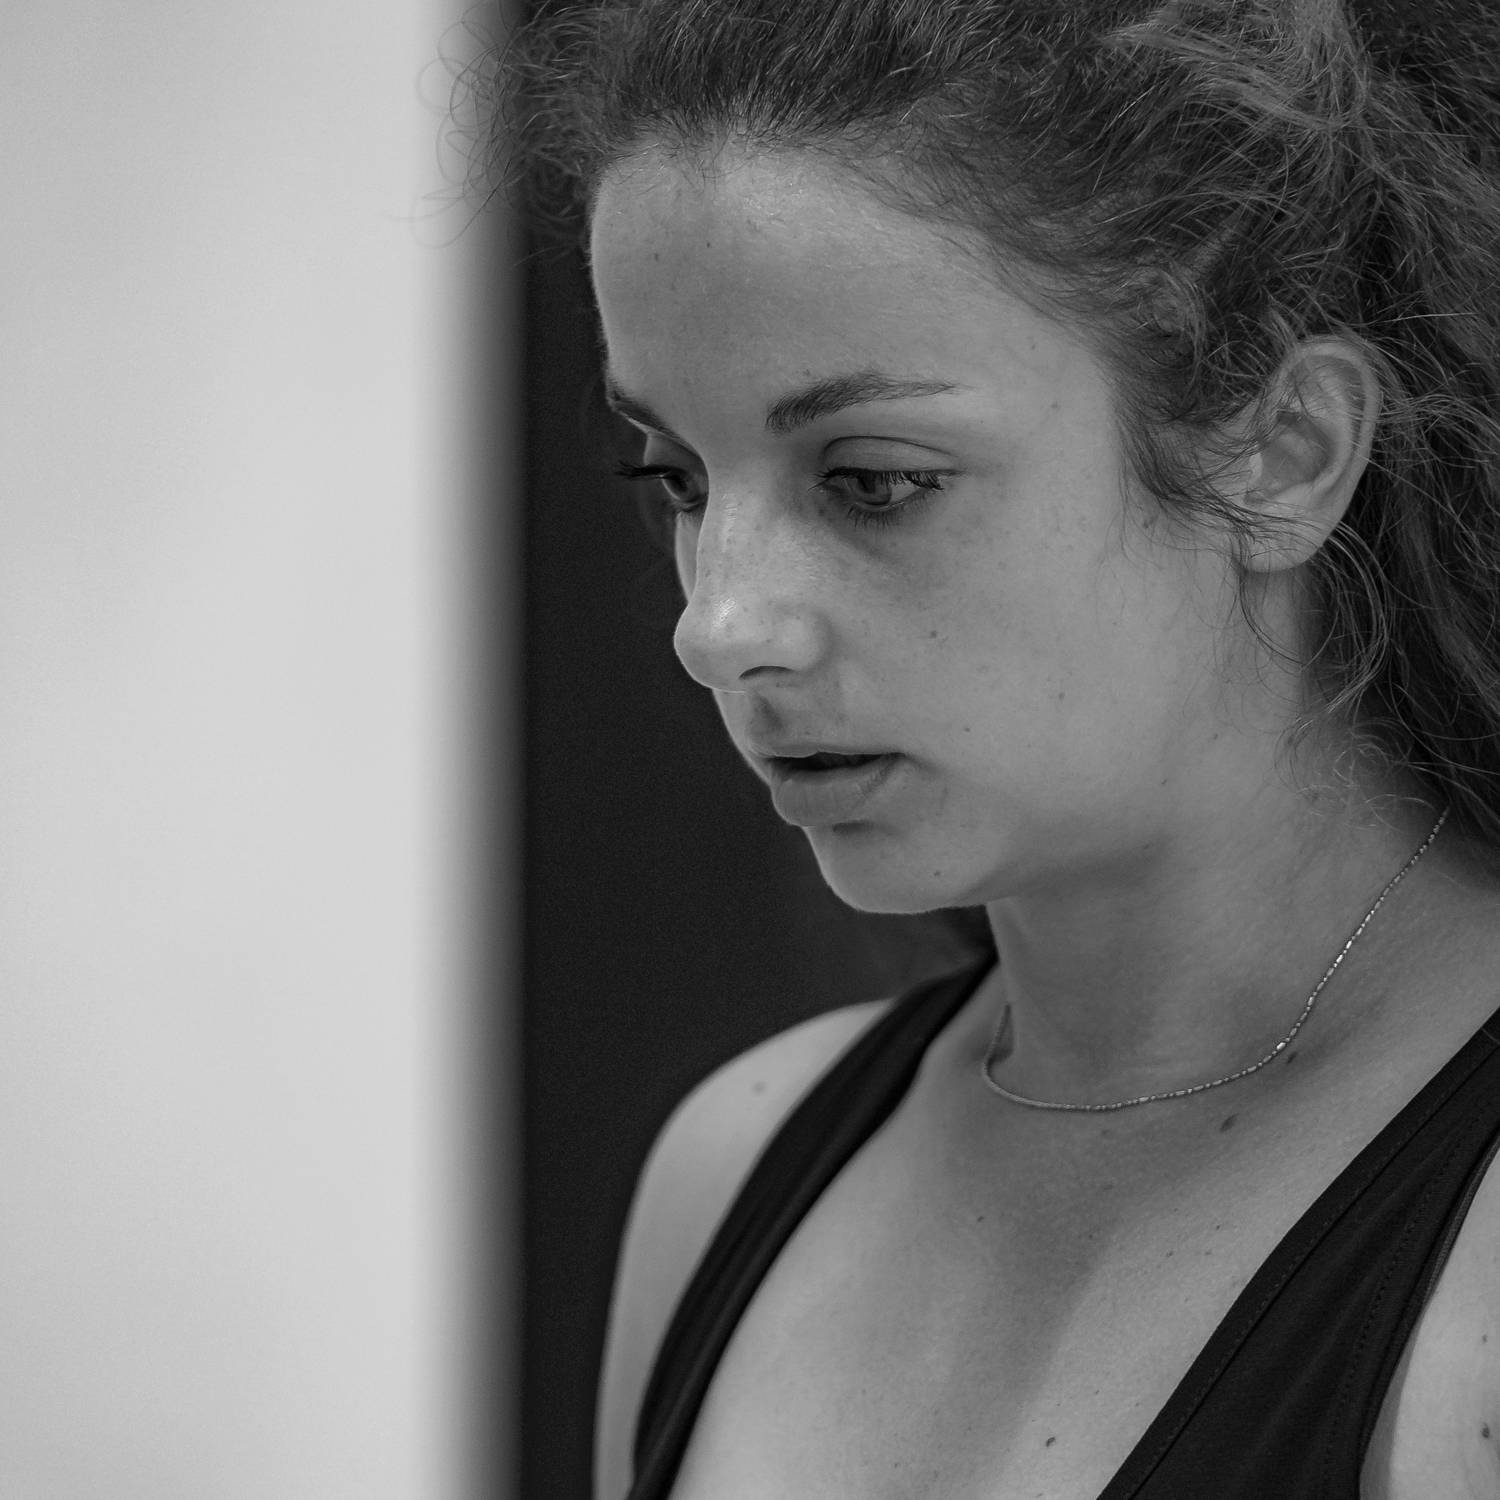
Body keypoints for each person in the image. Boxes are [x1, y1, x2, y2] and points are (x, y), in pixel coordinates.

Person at [490, 0, 1500, 1493]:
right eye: (681, 478)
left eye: (875, 480)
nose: (719, 625)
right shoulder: (736, 1168)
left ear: (1283, 453)